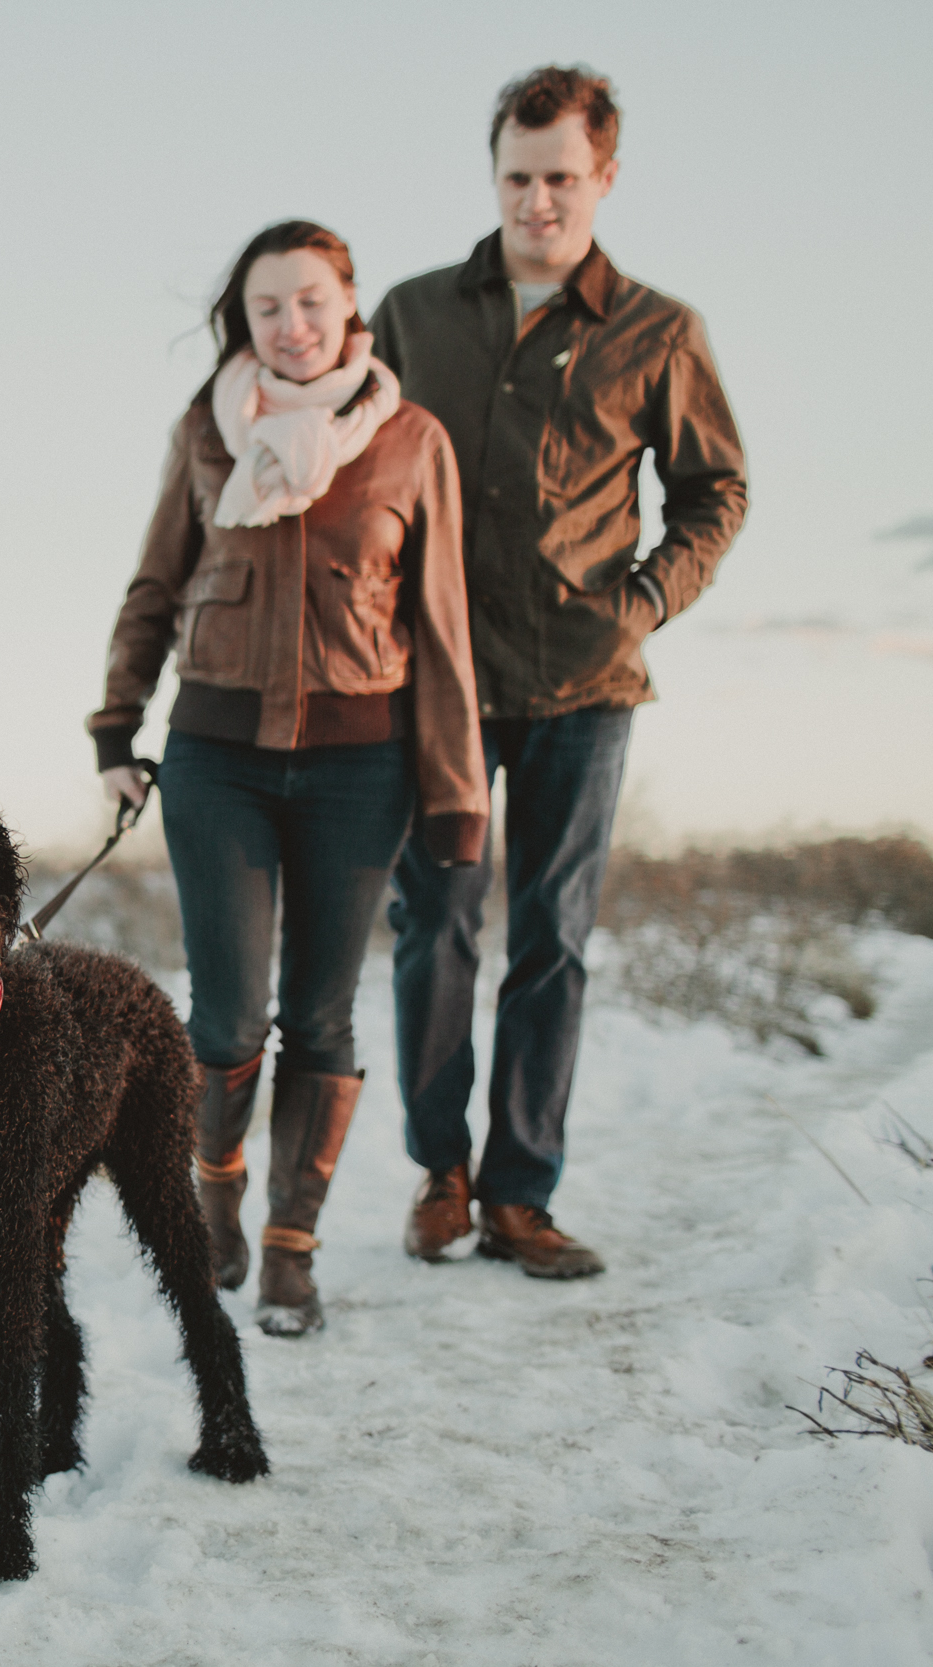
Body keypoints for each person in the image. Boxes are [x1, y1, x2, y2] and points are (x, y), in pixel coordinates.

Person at [374, 66, 748, 1278]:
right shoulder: (414, 311)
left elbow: (713, 492)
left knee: (552, 937)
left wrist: (642, 599)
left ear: (605, 177)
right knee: (433, 922)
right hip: (432, 677)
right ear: (494, 176)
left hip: (584, 687)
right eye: (518, 177)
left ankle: (520, 1196)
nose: (538, 201)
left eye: (561, 178)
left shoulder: (658, 331)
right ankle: (442, 1170)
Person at [89, 220, 488, 1337]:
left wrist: (456, 791)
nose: (290, 324)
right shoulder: (207, 428)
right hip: (217, 761)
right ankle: (215, 1205)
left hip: (364, 770)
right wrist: (116, 726)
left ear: (347, 305)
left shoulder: (409, 440)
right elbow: (153, 584)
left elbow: (442, 627)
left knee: (321, 1014)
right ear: (244, 320)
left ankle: (290, 1248)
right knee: (224, 1013)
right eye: (267, 306)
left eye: (309, 300)